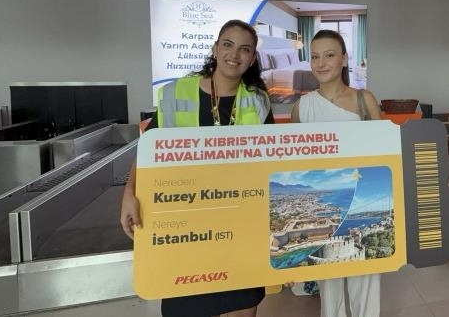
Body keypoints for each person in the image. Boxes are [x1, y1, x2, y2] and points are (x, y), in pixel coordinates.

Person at [121, 19, 274, 317]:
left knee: (241, 304)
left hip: (241, 221)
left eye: (244, 49)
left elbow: (274, 161)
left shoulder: (258, 101)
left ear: (252, 58)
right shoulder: (177, 92)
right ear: (215, 49)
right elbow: (150, 148)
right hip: (187, 222)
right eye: (227, 44)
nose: (234, 54)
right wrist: (129, 192)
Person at [290, 29, 381, 317]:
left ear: (343, 58)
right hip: (328, 200)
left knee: (366, 276)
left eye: (329, 55)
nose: (321, 63)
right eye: (315, 57)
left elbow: (383, 153)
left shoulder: (364, 100)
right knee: (329, 284)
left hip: (364, 197)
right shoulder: (302, 107)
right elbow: (294, 164)